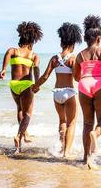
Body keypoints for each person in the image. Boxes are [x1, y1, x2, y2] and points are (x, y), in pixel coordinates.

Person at [32, 22, 82, 157]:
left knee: (62, 121)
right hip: (69, 93)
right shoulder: (73, 59)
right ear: (73, 44)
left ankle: (60, 148)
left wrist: (35, 86)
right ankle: (67, 152)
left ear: (61, 43)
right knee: (72, 123)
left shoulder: (54, 58)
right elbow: (77, 78)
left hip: (57, 94)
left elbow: (45, 76)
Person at [73, 15, 101, 169]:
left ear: (86, 39)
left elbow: (76, 76)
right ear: (98, 38)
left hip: (84, 84)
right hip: (100, 84)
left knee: (87, 123)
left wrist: (85, 80)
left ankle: (86, 159)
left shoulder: (80, 55)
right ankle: (96, 134)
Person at [0, 21, 43, 153]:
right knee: (28, 113)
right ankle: (19, 135)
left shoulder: (13, 50)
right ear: (32, 41)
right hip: (26, 85)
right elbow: (36, 70)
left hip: (14, 85)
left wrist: (3, 70)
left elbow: (7, 56)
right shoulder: (34, 55)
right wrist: (37, 83)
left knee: (19, 109)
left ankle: (23, 136)